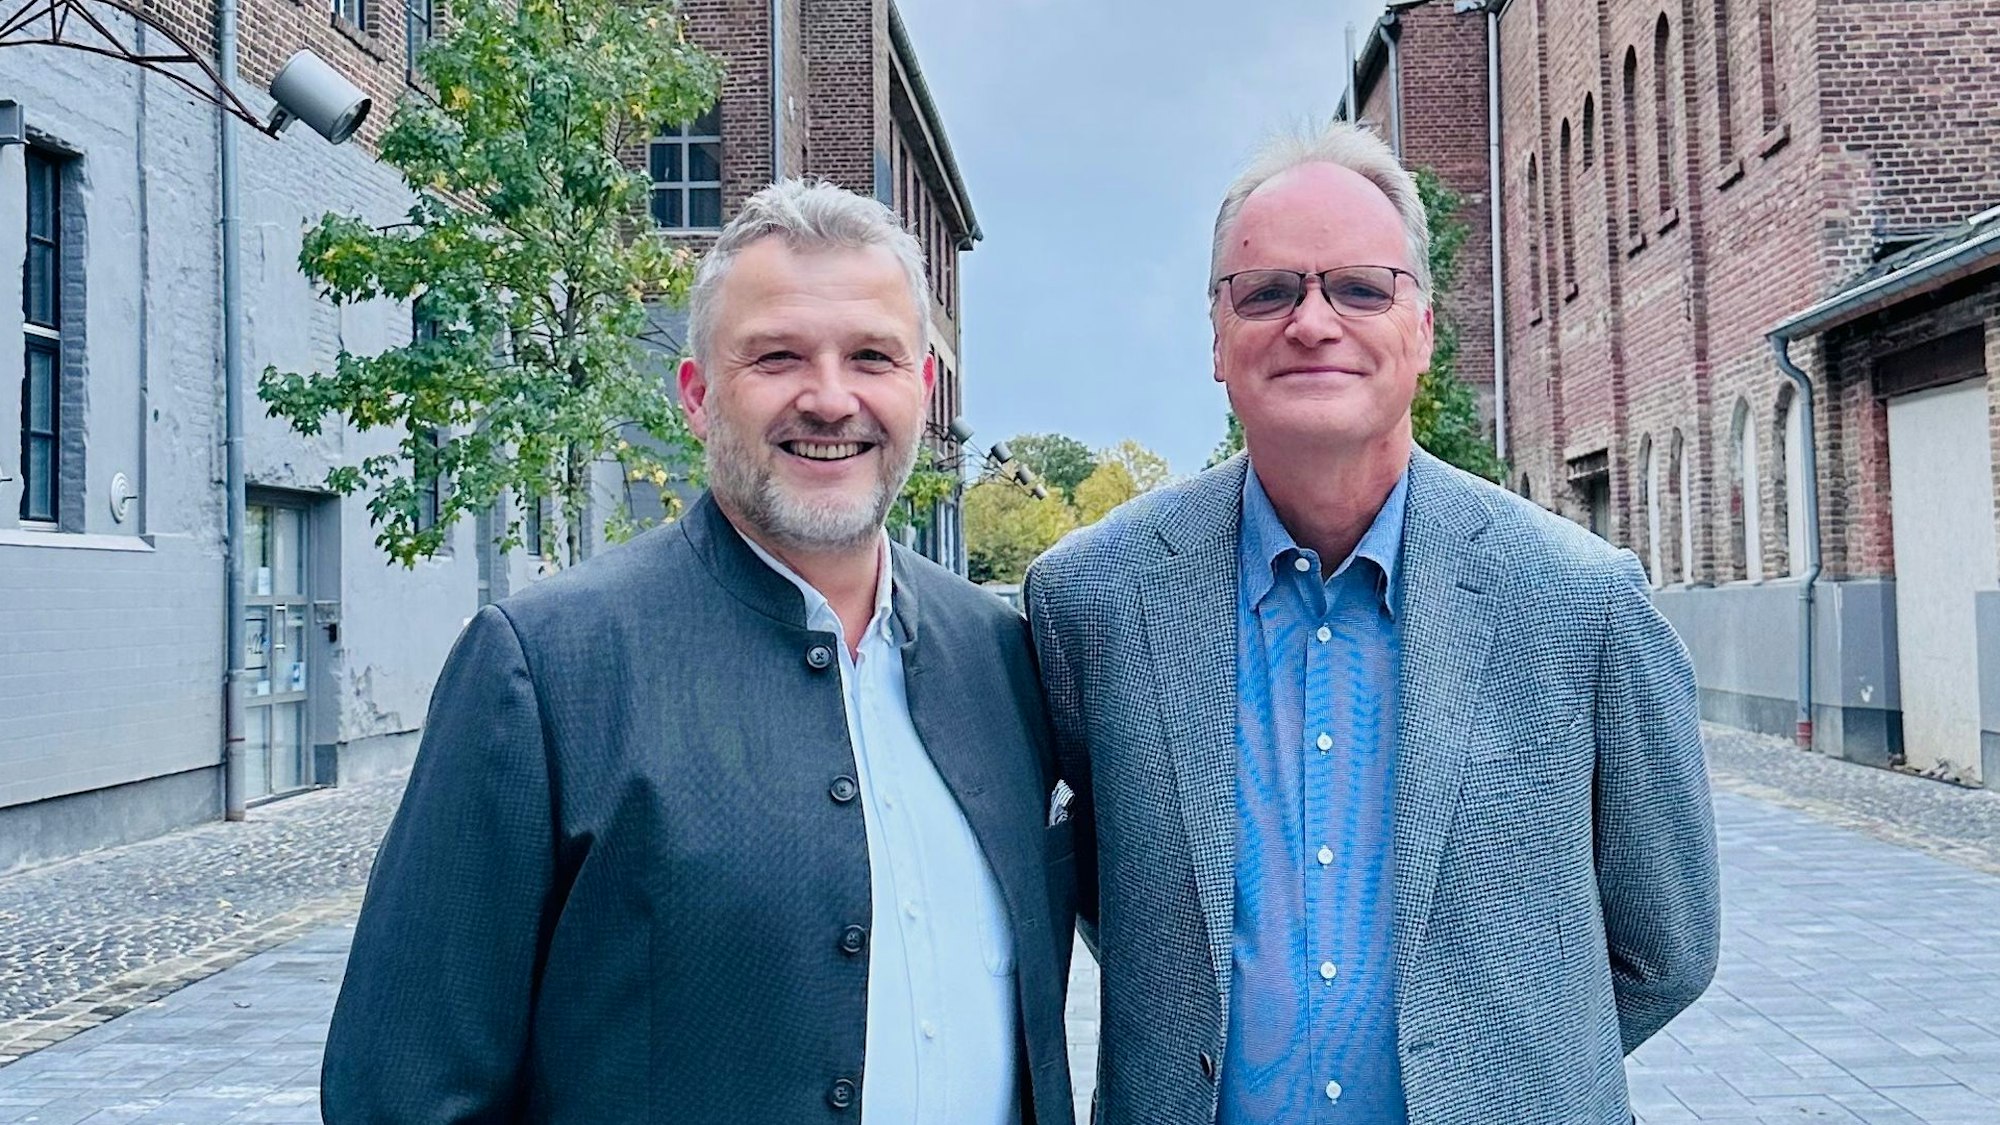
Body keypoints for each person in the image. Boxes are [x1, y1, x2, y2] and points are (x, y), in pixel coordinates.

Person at [323, 179, 1078, 1124]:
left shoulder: (1004, 657)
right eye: (777, 356)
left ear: (922, 390)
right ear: (696, 396)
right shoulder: (547, 668)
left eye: (872, 357)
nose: (831, 397)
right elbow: (404, 1091)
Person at [1025, 122, 1719, 1124]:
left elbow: (1667, 944)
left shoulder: (1582, 601)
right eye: (1266, 292)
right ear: (1215, 338)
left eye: (1358, 287)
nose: (1312, 322)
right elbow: (1118, 905)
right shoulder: (1093, 601)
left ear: (1423, 327)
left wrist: (1493, 1071)